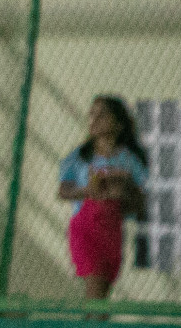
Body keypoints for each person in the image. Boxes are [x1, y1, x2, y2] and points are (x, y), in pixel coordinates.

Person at [58, 96, 148, 300]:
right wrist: (88, 190)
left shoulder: (128, 160)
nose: (94, 119)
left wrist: (124, 191)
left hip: (111, 230)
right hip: (87, 228)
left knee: (102, 297)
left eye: (102, 115)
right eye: (92, 115)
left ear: (118, 124)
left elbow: (141, 201)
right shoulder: (81, 156)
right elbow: (64, 190)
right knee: (95, 292)